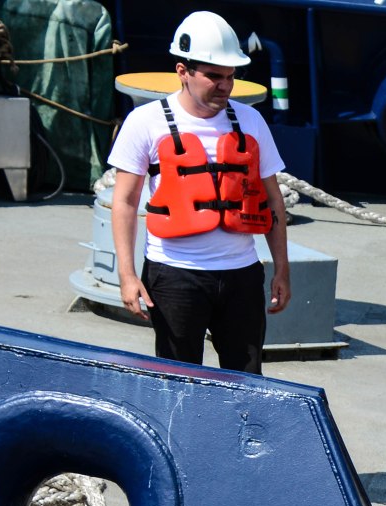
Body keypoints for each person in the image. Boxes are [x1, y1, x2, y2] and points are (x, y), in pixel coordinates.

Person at [109, 10, 290, 375]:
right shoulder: (145, 122)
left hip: (241, 274)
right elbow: (125, 202)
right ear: (183, 71)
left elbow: (273, 200)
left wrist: (282, 270)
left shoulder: (251, 121)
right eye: (214, 76)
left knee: (246, 379)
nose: (225, 86)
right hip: (174, 276)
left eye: (231, 76)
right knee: (178, 381)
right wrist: (127, 276)